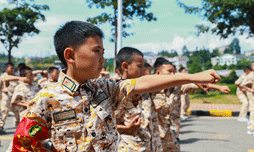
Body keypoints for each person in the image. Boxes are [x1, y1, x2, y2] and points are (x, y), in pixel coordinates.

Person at [12, 21, 221, 151]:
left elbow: (142, 83)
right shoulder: (46, 98)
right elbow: (23, 144)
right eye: (97, 51)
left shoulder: (104, 88)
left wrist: (193, 76)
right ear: (70, 55)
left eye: (104, 52)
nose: (103, 59)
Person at [115, 47, 162, 151]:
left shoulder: (144, 89)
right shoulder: (116, 92)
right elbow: (105, 124)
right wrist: (127, 128)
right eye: (139, 66)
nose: (143, 70)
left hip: (152, 147)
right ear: (125, 66)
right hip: (131, 147)